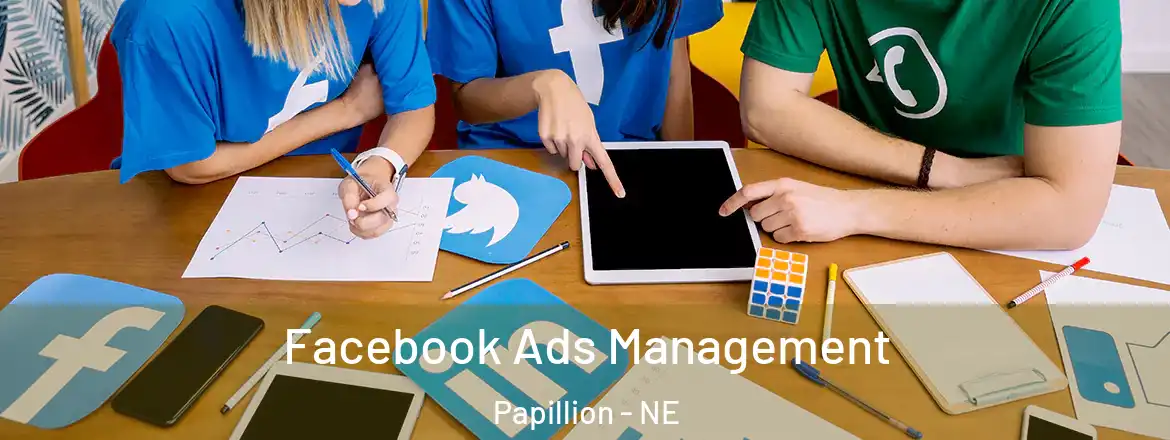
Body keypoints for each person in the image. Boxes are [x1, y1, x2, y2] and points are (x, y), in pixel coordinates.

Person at [721, 0, 1123, 251]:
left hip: (1007, 209)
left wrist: (855, 210)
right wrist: (946, 171)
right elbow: (765, 110)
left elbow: (1070, 212)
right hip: (860, 186)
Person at [111, 0, 436, 239]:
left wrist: (380, 165)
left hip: (318, 199)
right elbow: (191, 167)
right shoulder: (165, 18)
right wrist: (345, 111)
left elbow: (414, 108)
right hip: (188, 209)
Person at [425, 0, 725, 197]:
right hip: (512, 159)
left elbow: (674, 66)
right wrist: (541, 85)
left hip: (631, 157)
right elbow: (467, 99)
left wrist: (682, 172)